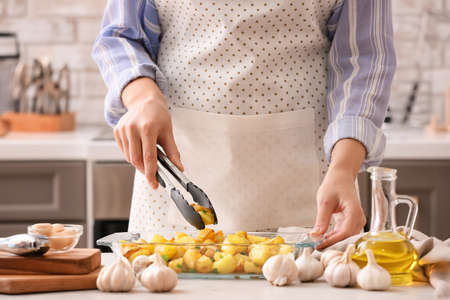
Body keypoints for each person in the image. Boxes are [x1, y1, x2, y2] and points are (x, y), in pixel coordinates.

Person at [92, 0, 396, 248]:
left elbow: (364, 60)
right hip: (178, 171)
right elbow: (120, 37)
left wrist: (344, 167)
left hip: (312, 175)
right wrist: (143, 97)